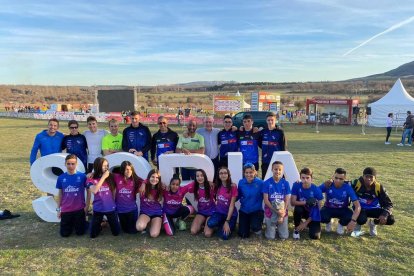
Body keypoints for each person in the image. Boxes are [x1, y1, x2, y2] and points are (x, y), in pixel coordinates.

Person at [351, 167, 394, 236]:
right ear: (363, 176)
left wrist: (385, 214)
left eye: (371, 177)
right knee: (361, 220)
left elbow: (389, 204)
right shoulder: (356, 183)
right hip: (360, 209)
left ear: (375, 178)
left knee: (390, 219)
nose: (368, 179)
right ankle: (358, 224)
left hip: (374, 209)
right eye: (366, 176)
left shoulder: (379, 187)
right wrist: (330, 182)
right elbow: (343, 183)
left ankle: (373, 223)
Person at [56, 154, 89, 237]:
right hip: (66, 210)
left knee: (80, 233)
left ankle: (87, 222)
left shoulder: (82, 176)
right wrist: (58, 209)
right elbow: (60, 194)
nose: (71, 166)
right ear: (65, 164)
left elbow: (88, 192)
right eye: (68, 164)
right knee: (65, 234)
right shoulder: (61, 178)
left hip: (79, 209)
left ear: (76, 164)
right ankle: (72, 223)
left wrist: (87, 207)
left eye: (73, 164)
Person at [319, 168, 361, 235]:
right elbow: (314, 191)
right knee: (320, 215)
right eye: (336, 178)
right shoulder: (328, 184)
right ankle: (328, 222)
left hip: (343, 209)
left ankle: (341, 224)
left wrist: (353, 221)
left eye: (341, 179)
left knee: (351, 216)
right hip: (328, 208)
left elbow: (358, 206)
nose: (338, 180)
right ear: (333, 176)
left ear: (345, 179)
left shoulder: (347, 187)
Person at [86, 157, 120, 238]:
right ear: (97, 166)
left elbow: (125, 175)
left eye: (107, 165)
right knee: (93, 235)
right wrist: (103, 177)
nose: (106, 168)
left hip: (111, 208)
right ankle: (102, 223)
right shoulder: (91, 179)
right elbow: (94, 190)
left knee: (116, 233)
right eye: (104, 166)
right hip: (98, 209)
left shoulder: (111, 176)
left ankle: (106, 222)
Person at [291, 167, 323, 240]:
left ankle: (305, 224)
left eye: (307, 178)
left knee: (315, 236)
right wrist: (306, 202)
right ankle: (297, 228)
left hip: (312, 213)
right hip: (301, 209)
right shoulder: (296, 185)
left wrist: (306, 223)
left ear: (311, 178)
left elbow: (318, 209)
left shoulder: (317, 190)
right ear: (300, 178)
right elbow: (292, 202)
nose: (305, 180)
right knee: (298, 209)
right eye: (303, 178)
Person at [205, 167, 238, 240]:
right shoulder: (217, 186)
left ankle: (229, 224)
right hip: (219, 213)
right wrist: (208, 182)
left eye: (225, 173)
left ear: (228, 175)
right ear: (219, 176)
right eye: (221, 173)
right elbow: (204, 183)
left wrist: (227, 221)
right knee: (210, 223)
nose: (223, 175)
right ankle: (221, 223)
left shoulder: (233, 186)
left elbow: (232, 206)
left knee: (224, 236)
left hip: (230, 215)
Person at [262, 161, 291, 240]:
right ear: (272, 170)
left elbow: (287, 199)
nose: (277, 171)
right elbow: (266, 200)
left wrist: (283, 212)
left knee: (284, 236)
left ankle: (279, 227)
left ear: (282, 171)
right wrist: (276, 210)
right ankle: (271, 228)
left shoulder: (286, 183)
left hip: (282, 211)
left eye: (279, 169)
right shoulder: (267, 183)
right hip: (270, 210)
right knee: (270, 237)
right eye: (275, 169)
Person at [113, 161, 143, 234]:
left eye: (130, 169)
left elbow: (146, 180)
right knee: (125, 230)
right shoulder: (117, 177)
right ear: (122, 170)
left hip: (132, 210)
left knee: (133, 231)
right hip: (120, 210)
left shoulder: (135, 179)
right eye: (126, 169)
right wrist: (92, 173)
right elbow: (104, 174)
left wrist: (144, 184)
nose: (129, 171)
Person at [237, 163, 264, 239]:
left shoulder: (261, 183)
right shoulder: (241, 182)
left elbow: (266, 194)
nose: (249, 175)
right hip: (244, 210)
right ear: (244, 173)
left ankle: (256, 226)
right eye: (246, 173)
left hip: (256, 210)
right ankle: (248, 225)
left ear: (255, 172)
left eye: (251, 172)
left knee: (255, 227)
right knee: (243, 235)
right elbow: (238, 195)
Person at [136, 169, 163, 238]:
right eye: (152, 177)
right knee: (139, 227)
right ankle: (147, 223)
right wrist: (144, 183)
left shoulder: (161, 188)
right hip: (145, 213)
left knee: (154, 234)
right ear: (149, 177)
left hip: (157, 213)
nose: (154, 179)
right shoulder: (142, 187)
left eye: (157, 178)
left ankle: (154, 223)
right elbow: (136, 178)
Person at [259, 112, 286, 178]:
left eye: (272, 120)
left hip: (276, 160)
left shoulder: (280, 132)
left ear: (275, 120)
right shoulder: (263, 131)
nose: (270, 122)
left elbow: (283, 147)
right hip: (265, 161)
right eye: (268, 120)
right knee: (265, 179)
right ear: (266, 121)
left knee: (278, 179)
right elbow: (259, 143)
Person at [190, 169, 216, 235]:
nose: (200, 178)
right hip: (201, 212)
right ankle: (203, 223)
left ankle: (210, 224)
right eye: (197, 176)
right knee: (193, 231)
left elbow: (222, 187)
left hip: (211, 212)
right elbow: (182, 188)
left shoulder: (211, 186)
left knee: (207, 234)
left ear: (204, 176)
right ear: (195, 178)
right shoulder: (194, 186)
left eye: (201, 175)